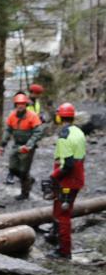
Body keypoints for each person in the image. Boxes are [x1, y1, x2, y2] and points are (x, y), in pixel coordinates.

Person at [45, 102, 86, 259]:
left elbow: (67, 165)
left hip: (67, 181)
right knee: (58, 208)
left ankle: (64, 250)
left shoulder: (65, 136)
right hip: (77, 178)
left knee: (63, 215)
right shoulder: (78, 132)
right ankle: (55, 237)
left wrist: (53, 177)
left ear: (59, 116)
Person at [0, 92, 45, 200]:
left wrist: (29, 145)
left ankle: (25, 193)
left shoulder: (32, 116)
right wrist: (2, 145)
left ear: (26, 105)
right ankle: (29, 180)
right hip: (16, 145)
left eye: (22, 104)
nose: (20, 106)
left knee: (23, 171)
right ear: (15, 105)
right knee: (12, 167)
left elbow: (38, 132)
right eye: (18, 104)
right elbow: (8, 130)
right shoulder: (12, 116)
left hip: (28, 146)